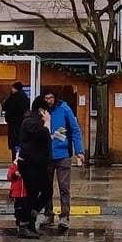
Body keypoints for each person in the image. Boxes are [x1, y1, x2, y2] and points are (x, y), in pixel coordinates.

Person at [42, 91, 84, 230]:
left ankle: (64, 216)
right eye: (46, 98)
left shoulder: (65, 109)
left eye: (51, 97)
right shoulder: (41, 111)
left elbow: (75, 129)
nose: (49, 100)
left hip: (63, 153)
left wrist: (79, 151)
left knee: (64, 187)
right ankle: (48, 214)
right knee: (46, 187)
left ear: (55, 98)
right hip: (46, 154)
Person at [14, 105, 54, 239]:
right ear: (41, 111)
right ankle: (25, 225)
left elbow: (42, 138)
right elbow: (43, 135)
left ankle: (32, 216)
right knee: (32, 193)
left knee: (46, 190)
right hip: (30, 163)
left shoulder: (34, 121)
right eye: (46, 111)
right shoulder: (30, 121)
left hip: (38, 163)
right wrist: (47, 122)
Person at [2, 82, 32, 154]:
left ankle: (15, 161)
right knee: (22, 144)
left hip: (13, 124)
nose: (11, 90)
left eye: (13, 88)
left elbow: (5, 107)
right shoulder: (26, 98)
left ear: (15, 88)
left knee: (14, 145)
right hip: (24, 124)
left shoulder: (13, 98)